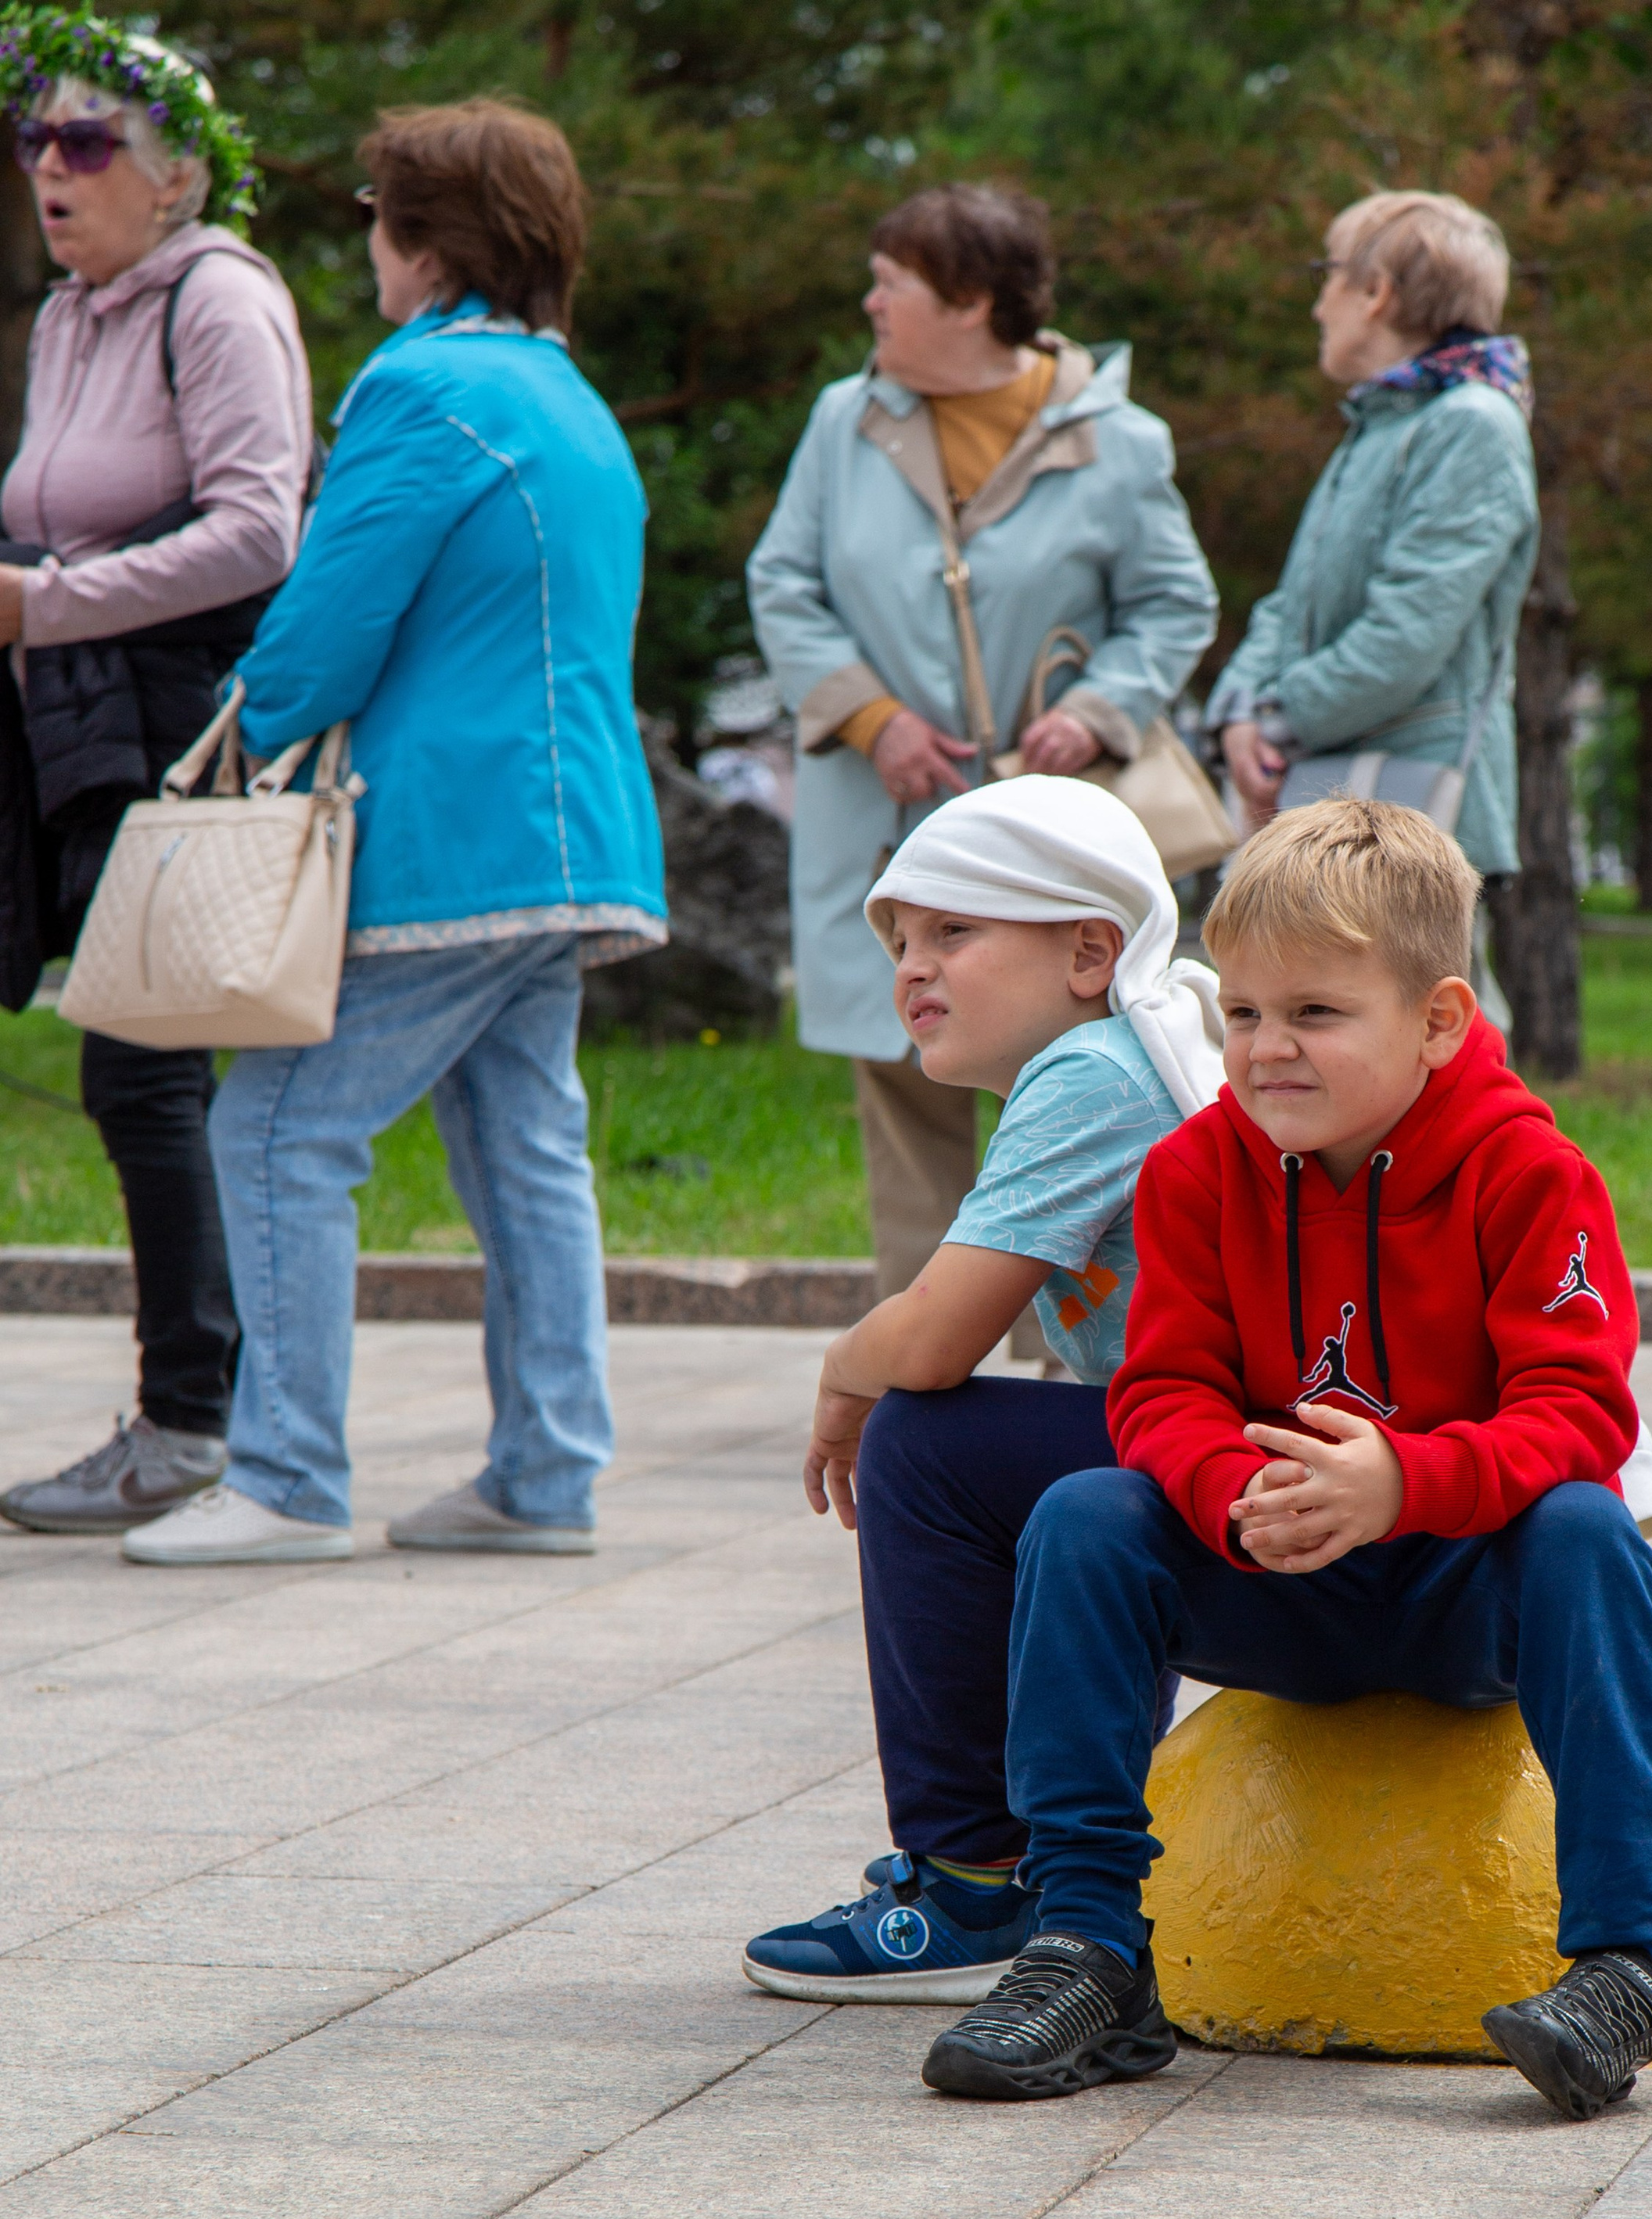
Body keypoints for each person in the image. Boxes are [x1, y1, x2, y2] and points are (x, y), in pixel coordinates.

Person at [918, 799, 1652, 2118]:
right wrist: (1233, 1494)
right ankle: (1088, 1947)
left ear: (1438, 1020)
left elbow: (1579, 1411)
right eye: (1244, 1015)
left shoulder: (1530, 1175)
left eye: (1318, 1016)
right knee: (1091, 1514)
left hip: (1465, 1595)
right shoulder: (1196, 1173)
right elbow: (1160, 1384)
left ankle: (1625, 1964)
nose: (1269, 1050)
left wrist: (1404, 1483)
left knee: (1586, 1530)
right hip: (1281, 1579)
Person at [124, 96, 665, 1568]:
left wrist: (248, 716)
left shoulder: (422, 388)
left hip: (447, 837)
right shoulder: (568, 392)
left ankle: (290, 1478)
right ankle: (543, 1476)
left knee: (280, 1122)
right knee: (525, 1147)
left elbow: (329, 621)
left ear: (426, 240)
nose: (366, 241)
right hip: (573, 842)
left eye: (376, 213)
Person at [740, 776, 1223, 2004]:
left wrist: (844, 1371)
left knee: (925, 1443)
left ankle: (969, 1879)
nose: (914, 968)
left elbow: (936, 1342)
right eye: (901, 940)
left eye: (956, 932)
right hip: (1260, 1457)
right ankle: (1059, 1850)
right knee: (1046, 1451)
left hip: (1258, 1483)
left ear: (1088, 949)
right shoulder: (1123, 1058)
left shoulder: (1096, 1077)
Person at [746, 181, 1218, 1302]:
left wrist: (1099, 710)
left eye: (891, 283)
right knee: (908, 1087)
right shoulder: (841, 420)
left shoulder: (1120, 439)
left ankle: (1093, 1363)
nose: (869, 301)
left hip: (1053, 845)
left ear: (969, 301)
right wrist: (872, 719)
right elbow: (783, 584)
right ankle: (930, 1390)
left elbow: (1172, 605)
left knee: (1085, 1085)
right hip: (886, 826)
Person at [0, 19, 312, 1535]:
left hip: (176, 728)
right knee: (129, 1066)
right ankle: (198, 1411)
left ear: (178, 175)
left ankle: (198, 1418)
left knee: (144, 1065)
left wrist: (40, 602)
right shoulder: (75, 311)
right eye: (35, 141)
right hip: (72, 730)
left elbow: (262, 531)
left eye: (86, 143)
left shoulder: (219, 299)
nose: (50, 171)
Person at [1208, 191, 1538, 946]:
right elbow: (1289, 609)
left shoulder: (1469, 426)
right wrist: (1239, 715)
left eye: (1327, 275)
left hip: (1413, 831)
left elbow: (1407, 634)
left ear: (1377, 292)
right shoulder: (1380, 427)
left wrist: (1274, 723)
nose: (1318, 305)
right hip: (1340, 811)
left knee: (1433, 1051)